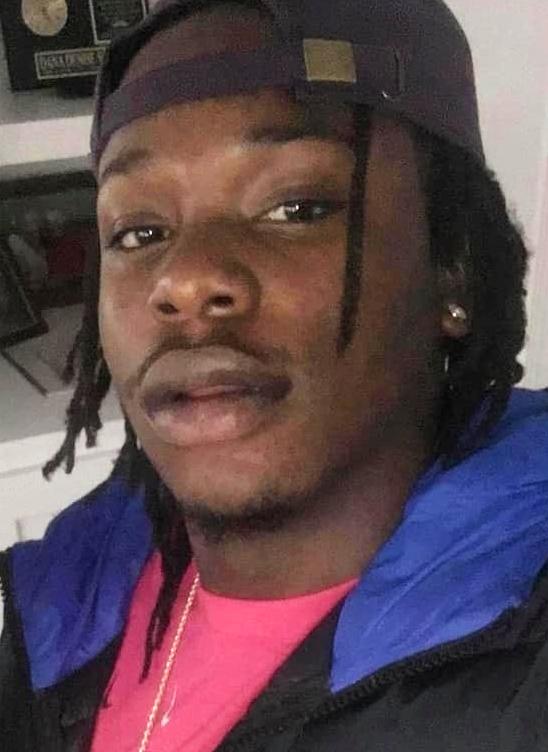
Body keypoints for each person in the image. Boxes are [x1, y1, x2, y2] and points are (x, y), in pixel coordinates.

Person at [1, 0, 547, 750]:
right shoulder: (63, 591)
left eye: (295, 208)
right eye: (138, 231)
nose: (184, 280)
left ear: (452, 272)